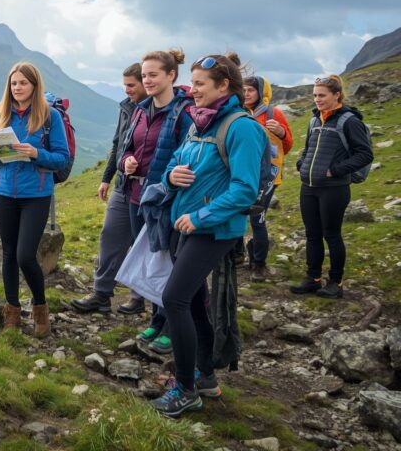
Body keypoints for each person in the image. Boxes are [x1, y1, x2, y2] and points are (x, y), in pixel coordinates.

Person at [150, 54, 267, 417]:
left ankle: (185, 388)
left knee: (175, 299)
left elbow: (245, 189)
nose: (193, 89)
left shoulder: (241, 127)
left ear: (224, 86)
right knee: (194, 301)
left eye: (200, 83)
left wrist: (201, 217)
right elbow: (174, 162)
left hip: (212, 230)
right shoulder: (199, 123)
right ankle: (205, 376)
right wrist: (171, 177)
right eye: (193, 81)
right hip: (187, 223)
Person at [0, 62, 70, 337]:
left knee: (24, 255)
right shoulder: (0, 113)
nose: (17, 88)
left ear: (34, 85)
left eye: (23, 83)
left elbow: (62, 159)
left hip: (36, 194)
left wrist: (35, 153)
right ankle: (12, 311)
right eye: (13, 83)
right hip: (4, 192)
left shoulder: (50, 116)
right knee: (8, 253)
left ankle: (40, 307)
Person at [118, 49, 194, 354]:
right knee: (150, 259)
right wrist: (127, 162)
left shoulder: (184, 112)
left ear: (171, 76)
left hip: (168, 201)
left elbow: (187, 158)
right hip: (139, 198)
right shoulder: (140, 110)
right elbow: (127, 147)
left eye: (153, 75)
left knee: (169, 262)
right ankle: (156, 317)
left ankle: (169, 324)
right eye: (145, 75)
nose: (147, 81)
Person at [289, 74, 373, 299]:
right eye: (315, 95)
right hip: (308, 186)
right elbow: (308, 147)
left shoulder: (349, 121)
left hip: (334, 188)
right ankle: (313, 279)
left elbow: (365, 154)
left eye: (322, 95)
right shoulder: (314, 120)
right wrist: (302, 163)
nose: (317, 99)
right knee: (312, 234)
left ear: (337, 95)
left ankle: (336, 282)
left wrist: (335, 170)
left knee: (332, 235)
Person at [72, 63, 147, 313]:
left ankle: (138, 297)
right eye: (124, 85)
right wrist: (106, 177)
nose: (127, 90)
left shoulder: (156, 110)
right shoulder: (126, 108)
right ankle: (101, 293)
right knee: (110, 236)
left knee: (141, 242)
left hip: (146, 188)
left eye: (131, 85)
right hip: (122, 185)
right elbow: (118, 144)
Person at [241, 72, 293, 281]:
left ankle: (259, 265)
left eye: (251, 90)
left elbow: (288, 146)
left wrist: (281, 133)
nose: (246, 94)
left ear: (261, 92)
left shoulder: (274, 114)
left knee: (257, 220)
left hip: (267, 177)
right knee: (237, 215)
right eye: (243, 90)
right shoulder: (239, 113)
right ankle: (241, 256)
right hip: (242, 174)